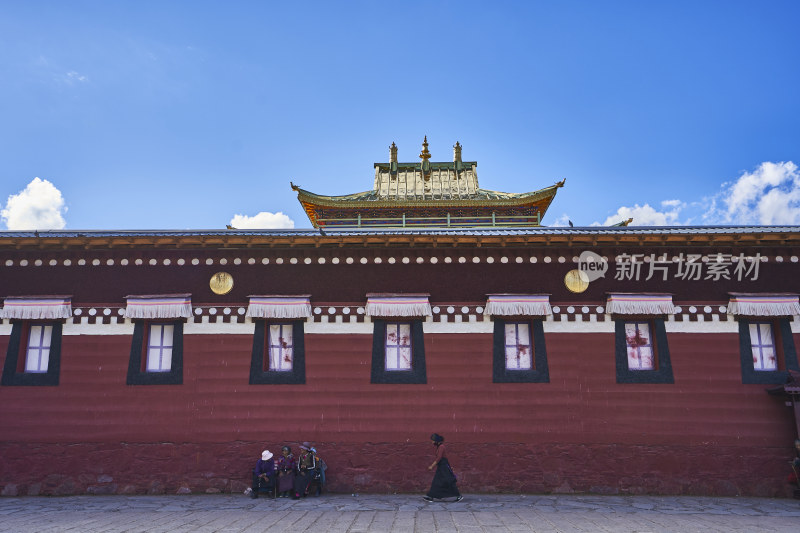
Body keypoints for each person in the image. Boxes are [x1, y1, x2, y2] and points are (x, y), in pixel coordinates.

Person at [423, 433, 462, 502]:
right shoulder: (439, 447)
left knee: (448, 481)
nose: (432, 442)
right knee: (437, 481)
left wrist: (432, 466)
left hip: (444, 467)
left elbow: (439, 458)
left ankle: (458, 496)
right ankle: (431, 496)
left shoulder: (441, 447)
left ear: (436, 440)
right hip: (441, 467)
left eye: (432, 440)